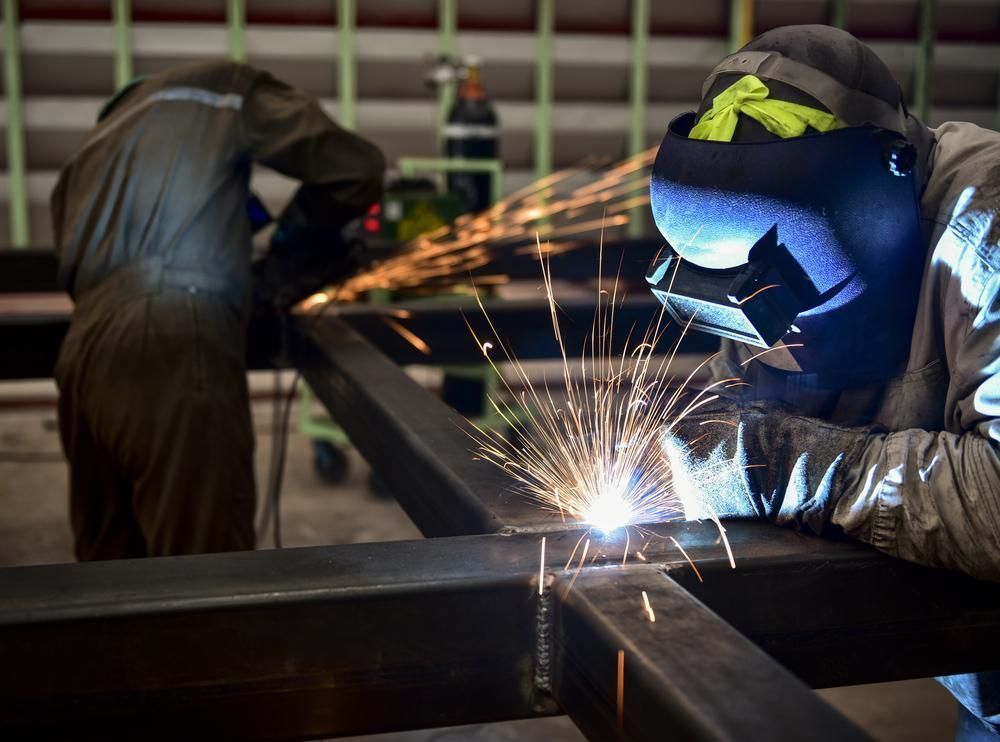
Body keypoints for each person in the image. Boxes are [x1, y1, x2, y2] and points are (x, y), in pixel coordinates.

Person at [648, 25, 1000, 739]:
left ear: (869, 204)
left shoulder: (985, 233)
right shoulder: (770, 251)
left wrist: (789, 466)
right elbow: (737, 411)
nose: (772, 336)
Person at [51, 60, 385, 561]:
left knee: (107, 587)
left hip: (79, 360)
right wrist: (288, 257)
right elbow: (355, 168)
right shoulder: (214, 87)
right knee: (206, 581)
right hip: (174, 340)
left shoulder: (88, 153)